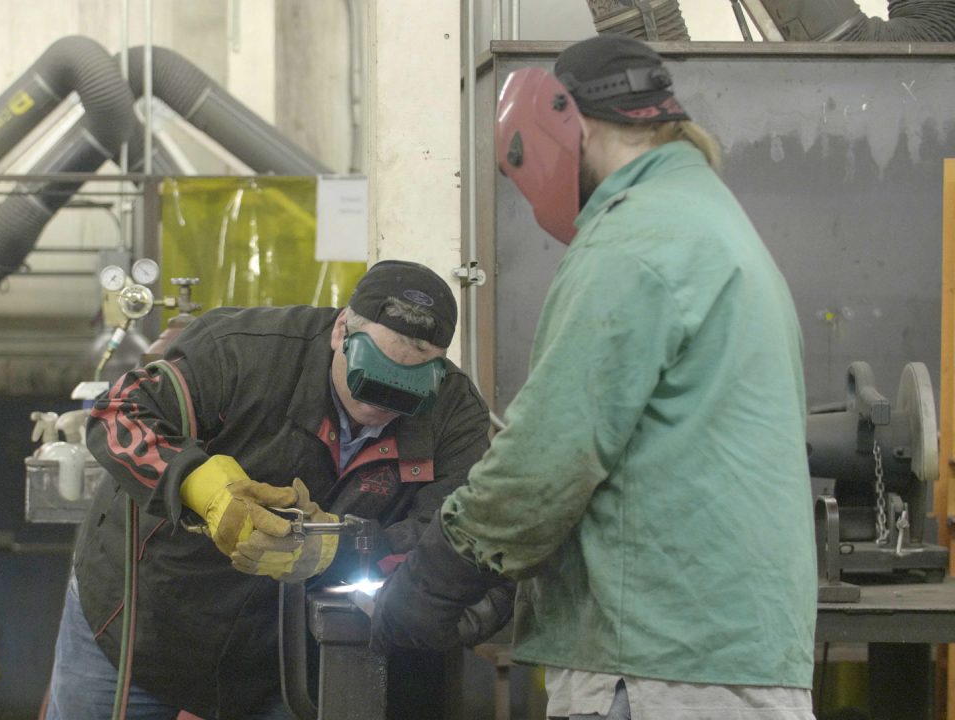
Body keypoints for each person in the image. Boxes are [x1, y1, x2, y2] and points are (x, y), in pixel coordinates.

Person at [370, 34, 817, 720]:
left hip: (655, 662)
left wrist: (437, 573)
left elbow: (548, 457)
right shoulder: (710, 222)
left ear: (562, 120)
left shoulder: (634, 242)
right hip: (726, 655)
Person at [46, 260, 494, 719]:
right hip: (142, 625)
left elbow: (454, 539)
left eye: (404, 394)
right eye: (371, 380)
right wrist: (208, 491)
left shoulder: (454, 415)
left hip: (277, 663)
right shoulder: (243, 351)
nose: (381, 405)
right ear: (341, 331)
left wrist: (338, 548)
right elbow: (119, 413)